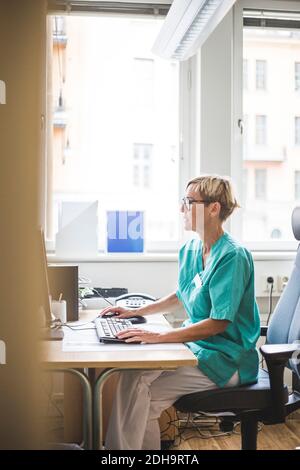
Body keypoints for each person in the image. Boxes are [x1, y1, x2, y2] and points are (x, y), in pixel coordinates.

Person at [101, 175, 261, 450]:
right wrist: (134, 310)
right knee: (132, 375)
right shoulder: (191, 249)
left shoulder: (232, 256)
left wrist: (160, 337)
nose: (181, 209)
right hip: (195, 348)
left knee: (144, 391)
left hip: (226, 358)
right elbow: (182, 293)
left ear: (214, 208)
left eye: (189, 202)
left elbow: (218, 323)